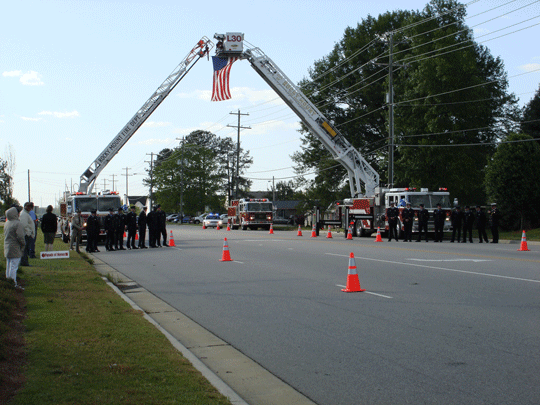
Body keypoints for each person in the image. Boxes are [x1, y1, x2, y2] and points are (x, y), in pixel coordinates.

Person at [4, 207, 26, 290]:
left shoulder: (7, 223)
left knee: (8, 266)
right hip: (15, 247)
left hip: (7, 247)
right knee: (14, 267)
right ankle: (13, 284)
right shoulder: (17, 224)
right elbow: (20, 236)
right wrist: (23, 244)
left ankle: (8, 283)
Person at [19, 202, 36, 266]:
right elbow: (24, 225)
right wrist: (29, 233)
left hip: (27, 234)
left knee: (26, 249)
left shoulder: (26, 214)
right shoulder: (24, 214)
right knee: (25, 249)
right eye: (30, 207)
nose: (30, 208)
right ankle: (24, 262)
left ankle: (24, 261)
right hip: (26, 235)